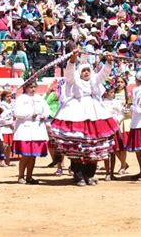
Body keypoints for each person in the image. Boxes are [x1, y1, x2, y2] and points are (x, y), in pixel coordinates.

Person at [50, 49, 118, 186]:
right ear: (79, 72)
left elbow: (104, 74)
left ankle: (90, 174)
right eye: (83, 71)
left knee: (93, 147)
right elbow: (69, 72)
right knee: (77, 146)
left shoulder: (95, 80)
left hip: (95, 112)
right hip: (76, 112)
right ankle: (78, 175)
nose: (86, 73)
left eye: (88, 70)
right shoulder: (73, 81)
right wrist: (73, 58)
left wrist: (109, 61)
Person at [13, 81, 51, 184]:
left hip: (37, 129)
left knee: (33, 155)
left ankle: (29, 176)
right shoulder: (21, 98)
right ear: (25, 88)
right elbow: (17, 112)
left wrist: (44, 115)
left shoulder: (39, 98)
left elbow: (47, 109)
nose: (33, 89)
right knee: (25, 155)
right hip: (25, 128)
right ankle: (21, 176)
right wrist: (30, 115)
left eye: (34, 87)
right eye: (30, 87)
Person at [0, 87, 15, 167]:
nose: (9, 98)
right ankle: (2, 161)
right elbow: (0, 119)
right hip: (4, 128)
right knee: (4, 145)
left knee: (9, 146)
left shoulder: (11, 105)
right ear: (3, 97)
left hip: (10, 128)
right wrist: (9, 123)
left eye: (10, 96)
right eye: (7, 96)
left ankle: (8, 160)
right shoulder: (1, 105)